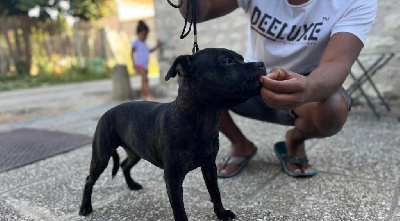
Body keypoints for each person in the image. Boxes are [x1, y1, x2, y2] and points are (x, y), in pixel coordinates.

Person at [179, 0, 377, 177]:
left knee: (333, 108)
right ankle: (241, 144)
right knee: (192, 79)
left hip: (308, 87)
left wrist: (309, 87)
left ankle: (295, 141)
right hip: (253, 80)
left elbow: (337, 62)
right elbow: (197, 11)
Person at [132, 20, 161, 101]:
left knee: (144, 80)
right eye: (143, 35)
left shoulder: (144, 44)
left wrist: (157, 46)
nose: (145, 37)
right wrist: (133, 63)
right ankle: (148, 95)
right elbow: (131, 52)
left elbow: (149, 51)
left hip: (145, 65)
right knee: (145, 79)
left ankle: (143, 95)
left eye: (146, 35)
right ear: (138, 33)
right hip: (139, 64)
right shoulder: (136, 43)